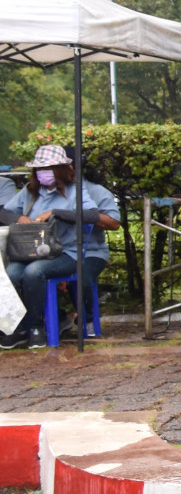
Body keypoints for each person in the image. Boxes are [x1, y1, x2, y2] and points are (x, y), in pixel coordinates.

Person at [1, 145, 121, 350]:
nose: (43, 173)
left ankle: (37, 328)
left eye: (48, 168)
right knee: (10, 274)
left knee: (33, 273)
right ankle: (18, 328)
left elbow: (92, 215)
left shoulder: (78, 191)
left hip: (68, 252)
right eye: (39, 169)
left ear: (62, 169)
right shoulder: (30, 192)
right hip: (33, 251)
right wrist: (19, 218)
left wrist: (55, 213)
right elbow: (3, 213)